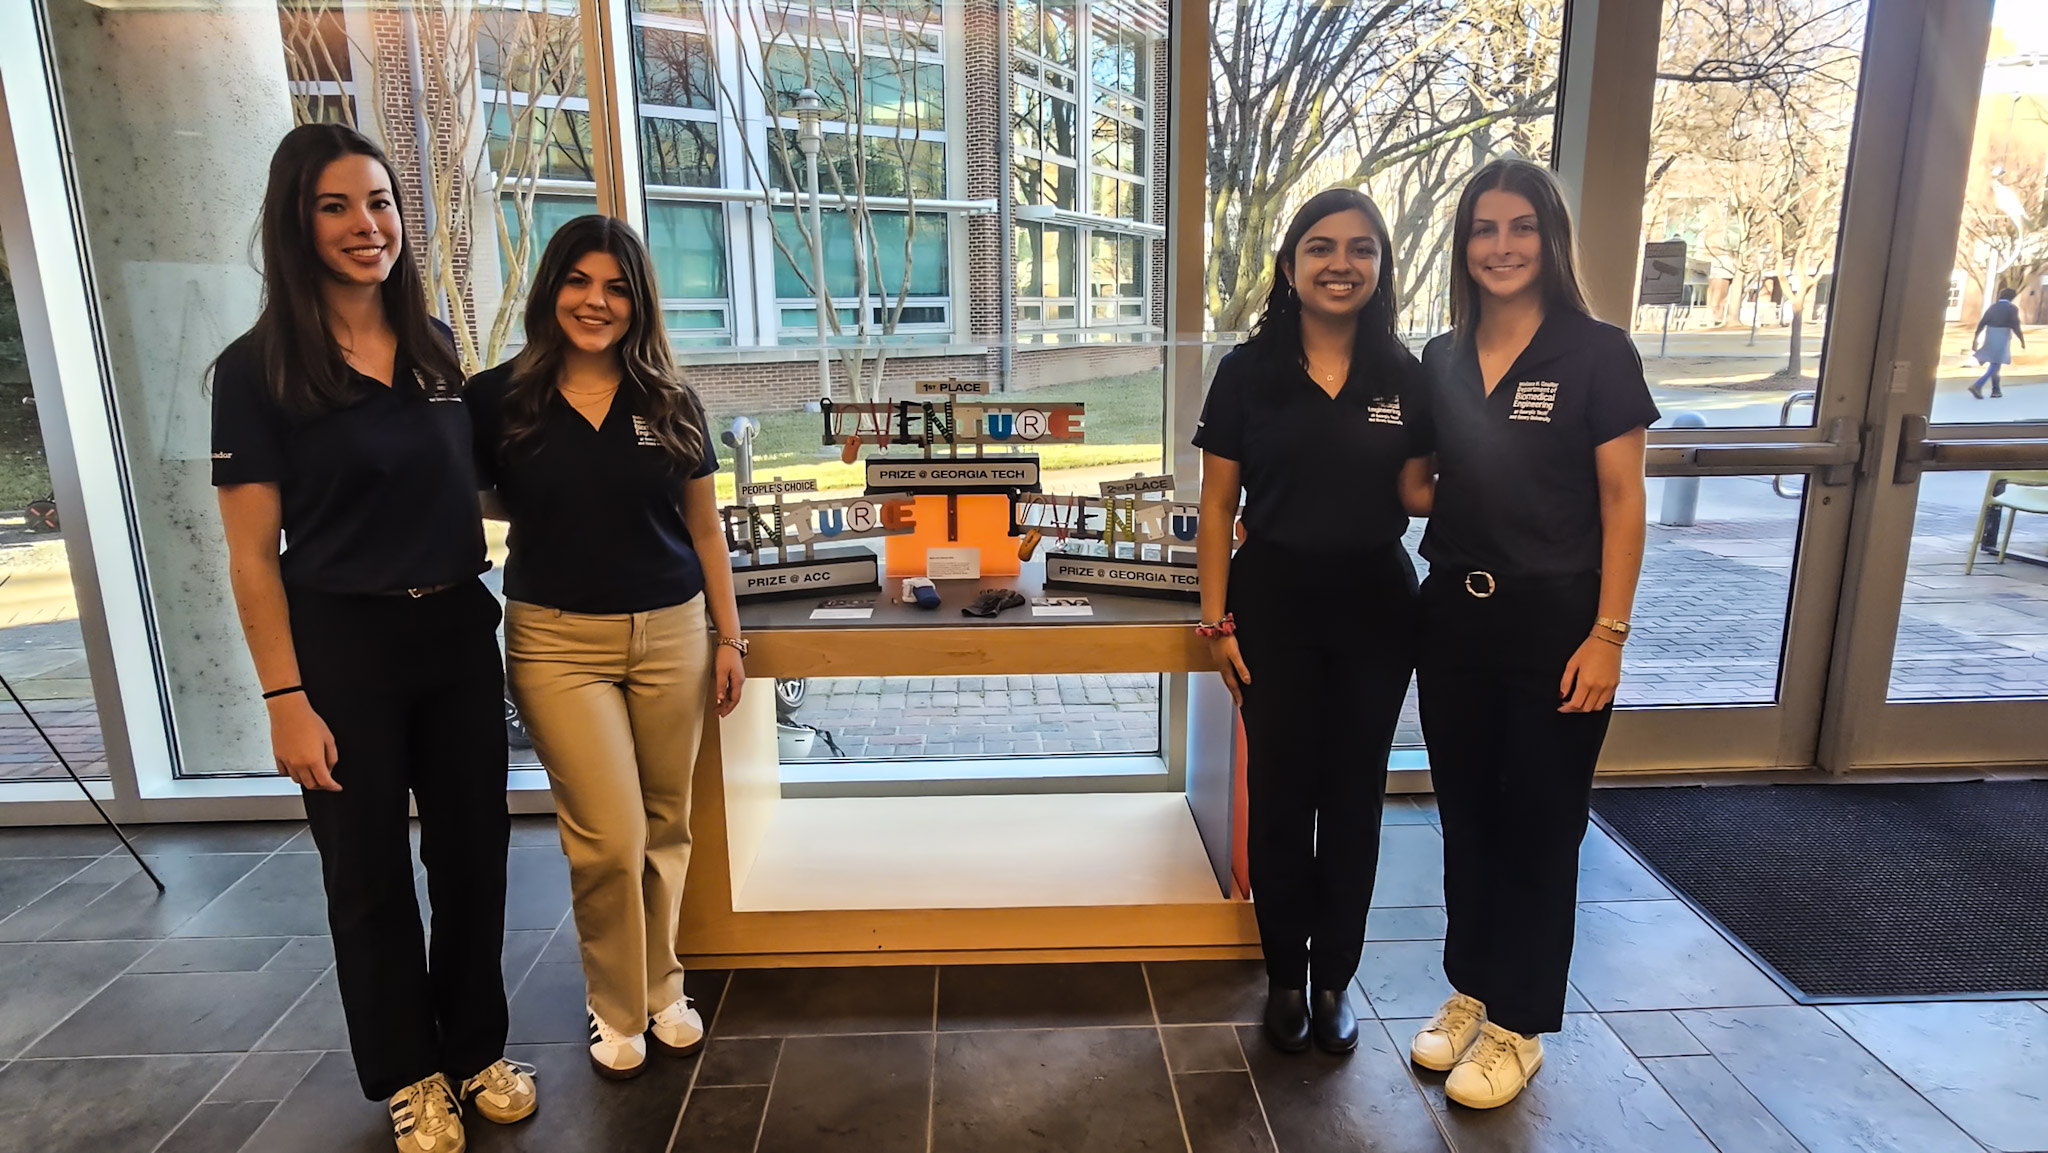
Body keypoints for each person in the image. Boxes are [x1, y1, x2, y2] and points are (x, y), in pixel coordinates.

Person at [212, 123, 536, 1153]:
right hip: (340, 643)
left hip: (452, 629)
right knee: (365, 872)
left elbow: (480, 483)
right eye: (337, 206)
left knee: (475, 852)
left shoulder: (434, 344)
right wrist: (283, 698)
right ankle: (409, 1072)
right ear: (295, 222)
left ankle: (476, 1046)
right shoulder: (256, 370)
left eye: (382, 202)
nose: (368, 225)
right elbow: (251, 554)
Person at [1402, 157, 1658, 1109]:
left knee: (1542, 820)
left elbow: (1624, 501)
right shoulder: (1439, 357)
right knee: (1467, 814)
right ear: (1463, 246)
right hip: (1454, 616)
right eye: (1482, 229)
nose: (1499, 246)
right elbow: (1416, 475)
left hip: (1558, 621)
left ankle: (1518, 1021)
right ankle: (1471, 986)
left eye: (1518, 227)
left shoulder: (1597, 352)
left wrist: (1610, 632)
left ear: (1549, 239)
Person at [467, 215, 745, 1080]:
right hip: (556, 642)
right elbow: (477, 503)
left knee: (667, 823)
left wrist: (729, 638)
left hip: (672, 631)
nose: (598, 301)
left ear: (639, 302)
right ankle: (613, 1004)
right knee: (610, 836)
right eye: (580, 282)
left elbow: (705, 529)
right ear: (552, 289)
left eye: (617, 287)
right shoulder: (495, 397)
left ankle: (664, 987)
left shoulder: (670, 399)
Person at [1193, 188, 1433, 1055]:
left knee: (1356, 797)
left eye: (1361, 248)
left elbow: (1421, 487)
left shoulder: (1407, 374)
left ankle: (1335, 976)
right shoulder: (1246, 372)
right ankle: (1283, 979)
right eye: (1322, 246)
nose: (1342, 263)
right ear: (1289, 265)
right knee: (1284, 795)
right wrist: (1217, 621)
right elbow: (1218, 506)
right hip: (1275, 602)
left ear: (1381, 266)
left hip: (1376, 604)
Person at [1971, 287, 2026, 399]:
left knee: (1995, 363)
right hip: (2002, 335)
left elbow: (1982, 323)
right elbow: (2015, 325)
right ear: (2012, 297)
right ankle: (1978, 385)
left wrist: (1975, 339)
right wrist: (2021, 340)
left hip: (1990, 334)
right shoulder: (2012, 308)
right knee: (1996, 363)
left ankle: (1996, 390)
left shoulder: (1993, 307)